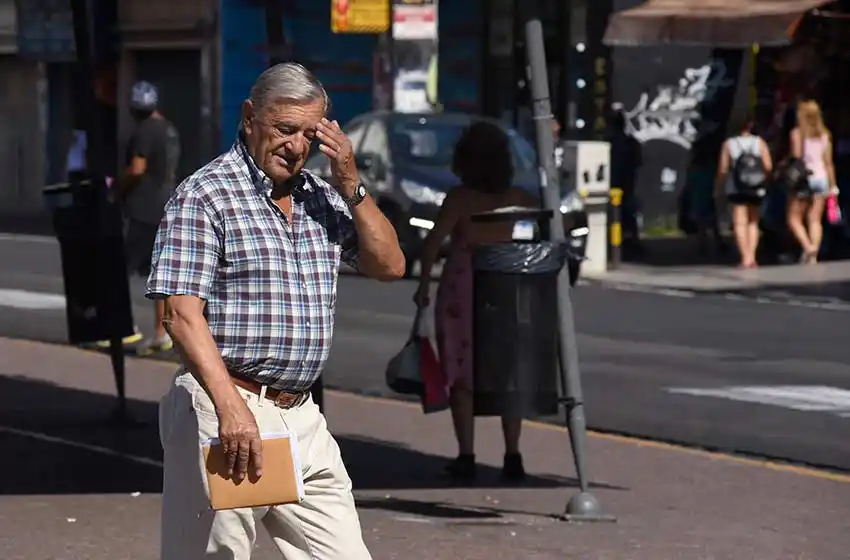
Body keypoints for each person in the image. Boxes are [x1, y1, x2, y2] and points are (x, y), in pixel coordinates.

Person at [148, 62, 404, 559]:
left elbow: (390, 265)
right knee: (218, 554)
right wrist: (230, 407)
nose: (296, 146)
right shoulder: (205, 195)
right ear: (250, 118)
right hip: (228, 405)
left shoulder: (321, 198)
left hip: (301, 414)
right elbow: (179, 314)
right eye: (285, 129)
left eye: (310, 134)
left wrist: (351, 184)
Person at [413, 121, 538, 482]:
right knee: (506, 375)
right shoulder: (518, 198)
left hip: (463, 290)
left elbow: (432, 245)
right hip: (505, 286)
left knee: (461, 373)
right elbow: (542, 233)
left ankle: (466, 454)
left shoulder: (460, 199)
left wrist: (423, 286)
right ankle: (513, 454)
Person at [115, 80, 181, 354]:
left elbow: (137, 168)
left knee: (119, 270)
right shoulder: (169, 129)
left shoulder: (144, 130)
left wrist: (117, 189)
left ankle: (122, 328)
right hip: (166, 206)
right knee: (160, 273)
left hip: (144, 209)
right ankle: (162, 333)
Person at [714, 117, 773, 268]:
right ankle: (752, 257)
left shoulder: (729, 144)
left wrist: (718, 187)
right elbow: (768, 166)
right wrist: (763, 180)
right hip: (756, 187)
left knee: (739, 223)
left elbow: (723, 169)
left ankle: (745, 257)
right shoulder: (759, 142)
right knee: (753, 222)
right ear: (751, 125)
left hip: (736, 187)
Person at [787, 100, 838, 264]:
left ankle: (808, 246)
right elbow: (828, 163)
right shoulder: (825, 135)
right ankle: (813, 254)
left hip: (804, 179)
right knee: (815, 218)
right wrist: (833, 185)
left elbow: (796, 157)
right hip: (821, 178)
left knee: (794, 218)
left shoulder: (797, 134)